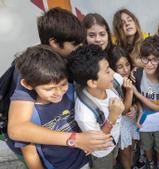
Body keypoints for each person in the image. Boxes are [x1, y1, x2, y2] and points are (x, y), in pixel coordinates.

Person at [8, 7, 111, 156]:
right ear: (54, 43)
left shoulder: (67, 57)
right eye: (75, 44)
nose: (80, 48)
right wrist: (75, 139)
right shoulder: (33, 69)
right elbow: (17, 129)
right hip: (47, 154)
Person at [14, 45, 89, 169]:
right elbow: (30, 154)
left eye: (63, 84)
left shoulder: (71, 91)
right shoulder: (28, 116)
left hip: (86, 159)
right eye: (49, 89)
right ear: (28, 84)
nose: (59, 92)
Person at [68, 44, 125, 169]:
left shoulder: (112, 82)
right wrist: (112, 117)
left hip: (114, 140)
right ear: (93, 82)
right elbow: (97, 142)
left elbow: (122, 80)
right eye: (107, 71)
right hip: (101, 152)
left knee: (113, 161)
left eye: (109, 68)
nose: (112, 73)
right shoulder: (84, 114)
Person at [133, 35, 159, 169]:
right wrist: (139, 111)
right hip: (145, 118)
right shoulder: (138, 75)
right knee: (146, 145)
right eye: (146, 59)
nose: (149, 63)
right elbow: (137, 99)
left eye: (154, 60)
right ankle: (150, 163)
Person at [109, 46, 139, 169]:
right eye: (120, 67)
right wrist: (129, 91)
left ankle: (132, 165)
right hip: (121, 124)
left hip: (132, 120)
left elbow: (138, 101)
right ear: (112, 69)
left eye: (127, 64)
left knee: (132, 146)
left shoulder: (133, 78)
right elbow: (122, 111)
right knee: (124, 151)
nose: (126, 70)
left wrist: (136, 108)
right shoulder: (112, 84)